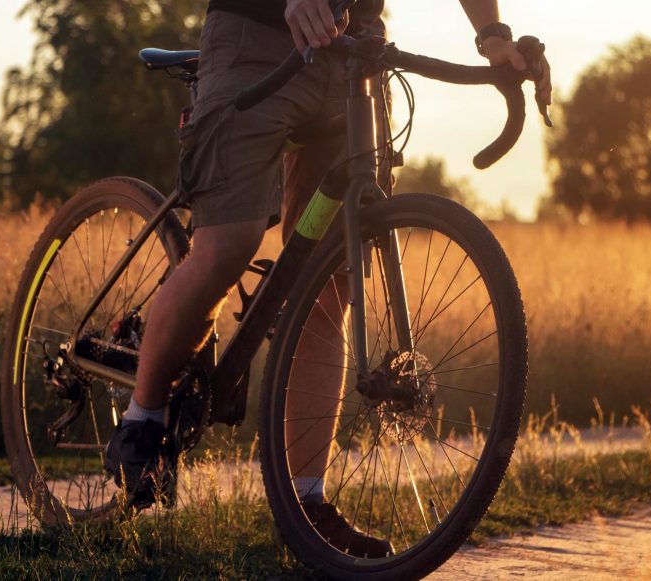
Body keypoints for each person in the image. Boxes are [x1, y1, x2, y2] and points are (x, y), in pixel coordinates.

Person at [105, 0, 552, 557]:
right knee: (228, 244)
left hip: (351, 55)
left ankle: (307, 505)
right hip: (257, 35)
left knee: (330, 286)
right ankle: (142, 420)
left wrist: (493, 37)